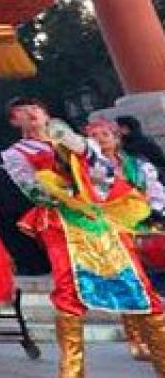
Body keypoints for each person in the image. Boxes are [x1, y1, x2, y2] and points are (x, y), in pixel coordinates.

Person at [3, 98, 165, 376]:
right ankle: (72, 370)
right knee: (69, 289)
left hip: (100, 220)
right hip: (61, 223)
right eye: (22, 112)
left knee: (138, 284)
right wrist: (61, 187)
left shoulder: (77, 141)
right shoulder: (15, 153)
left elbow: (105, 175)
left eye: (36, 109)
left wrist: (78, 155)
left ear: (46, 114)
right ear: (14, 122)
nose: (31, 114)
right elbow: (32, 189)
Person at [88, 116, 165, 361]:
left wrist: (156, 210)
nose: (101, 141)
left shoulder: (137, 165)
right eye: (95, 137)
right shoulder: (89, 170)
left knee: (151, 284)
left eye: (105, 135)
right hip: (112, 230)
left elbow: (154, 190)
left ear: (117, 138)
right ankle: (136, 338)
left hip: (143, 227)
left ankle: (155, 336)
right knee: (128, 283)